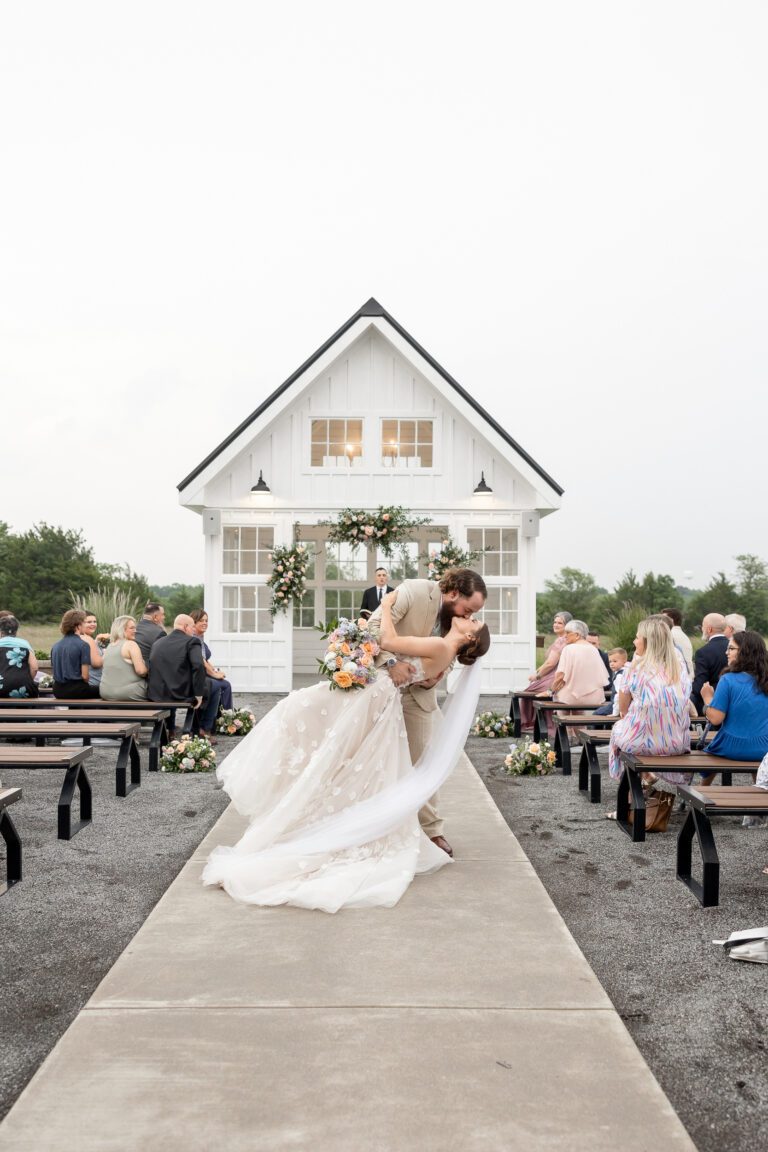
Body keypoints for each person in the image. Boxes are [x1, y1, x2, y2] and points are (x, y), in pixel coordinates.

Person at [202, 596, 490, 912]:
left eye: (474, 621)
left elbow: (388, 640)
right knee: (338, 750)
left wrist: (390, 602)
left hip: (374, 693)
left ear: (470, 638)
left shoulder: (440, 646)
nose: (471, 617)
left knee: (300, 712)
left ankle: (298, 797)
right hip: (380, 695)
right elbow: (417, 673)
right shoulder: (443, 651)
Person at [366, 567, 488, 857]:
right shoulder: (415, 591)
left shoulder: (456, 621)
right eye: (468, 609)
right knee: (370, 758)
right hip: (383, 684)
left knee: (424, 762)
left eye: (473, 615)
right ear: (454, 592)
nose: (468, 617)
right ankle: (373, 822)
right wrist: (391, 662)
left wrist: (438, 674)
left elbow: (452, 653)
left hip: (418, 696)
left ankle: (431, 831)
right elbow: (372, 629)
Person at [608, 617, 692, 789]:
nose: (634, 641)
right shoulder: (680, 667)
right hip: (677, 743)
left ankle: (632, 800)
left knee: (619, 730)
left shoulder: (635, 668)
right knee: (633, 728)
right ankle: (645, 779)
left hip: (641, 743)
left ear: (647, 642)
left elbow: (623, 709)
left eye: (637, 637)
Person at [699, 630, 768, 764]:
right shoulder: (765, 680)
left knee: (711, 753)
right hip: (764, 747)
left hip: (732, 746)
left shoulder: (728, 680)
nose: (726, 653)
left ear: (745, 652)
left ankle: (703, 785)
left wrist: (707, 699)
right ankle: (757, 783)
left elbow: (716, 719)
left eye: (731, 648)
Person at [147, 614, 217, 737]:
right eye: (192, 627)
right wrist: (199, 694)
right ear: (185, 627)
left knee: (176, 683)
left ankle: (171, 730)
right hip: (179, 694)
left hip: (157, 694)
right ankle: (201, 729)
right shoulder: (192, 641)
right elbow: (198, 666)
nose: (193, 630)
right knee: (210, 685)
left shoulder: (158, 643)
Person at [549, 620, 609, 734]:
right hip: (594, 697)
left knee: (561, 701)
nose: (565, 635)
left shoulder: (569, 649)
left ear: (577, 635)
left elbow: (560, 676)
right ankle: (581, 738)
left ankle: (565, 737)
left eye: (568, 632)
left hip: (571, 698)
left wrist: (550, 691)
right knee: (577, 710)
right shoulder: (593, 649)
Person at [519, 611, 573, 731]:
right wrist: (539, 670)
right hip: (554, 675)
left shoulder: (561, 641)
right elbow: (548, 662)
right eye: (555, 622)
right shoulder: (562, 639)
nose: (556, 624)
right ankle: (542, 723)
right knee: (532, 689)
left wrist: (537, 676)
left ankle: (531, 724)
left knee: (528, 692)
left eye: (560, 623)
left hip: (555, 678)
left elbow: (551, 664)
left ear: (567, 626)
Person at [51, 609, 100, 699]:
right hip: (77, 690)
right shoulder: (83, 645)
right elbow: (85, 676)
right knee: (103, 691)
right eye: (84, 623)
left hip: (57, 690)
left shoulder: (55, 646)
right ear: (78, 626)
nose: (85, 625)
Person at [190, 609, 233, 711]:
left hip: (204, 675)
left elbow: (206, 660)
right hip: (196, 678)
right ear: (194, 622)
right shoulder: (193, 639)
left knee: (223, 683)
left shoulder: (200, 638)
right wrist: (214, 674)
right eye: (201, 620)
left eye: (206, 620)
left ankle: (221, 717)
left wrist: (215, 671)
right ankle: (226, 717)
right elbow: (201, 660)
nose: (205, 623)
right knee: (225, 685)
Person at [99, 615, 149, 701]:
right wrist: (148, 669)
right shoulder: (131, 644)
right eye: (132, 628)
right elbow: (141, 671)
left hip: (105, 692)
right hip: (129, 693)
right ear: (122, 629)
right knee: (160, 691)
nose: (135, 631)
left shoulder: (109, 647)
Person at [690, 613, 729, 716]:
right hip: (734, 699)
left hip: (713, 703)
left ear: (709, 629)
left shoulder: (703, 652)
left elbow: (699, 687)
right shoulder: (735, 647)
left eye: (703, 626)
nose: (702, 629)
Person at [0, 614, 39, 698]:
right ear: (16, 631)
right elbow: (34, 668)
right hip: (24, 688)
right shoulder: (24, 644)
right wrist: (27, 681)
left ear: (1, 631)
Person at [593, 647, 628, 716]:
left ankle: (599, 726)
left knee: (596, 713)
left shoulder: (619, 676)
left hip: (616, 706)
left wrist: (615, 712)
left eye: (615, 661)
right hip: (620, 705)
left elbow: (619, 695)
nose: (611, 664)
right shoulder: (626, 672)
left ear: (624, 662)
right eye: (610, 661)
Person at [660, 607, 693, 675]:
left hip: (676, 676)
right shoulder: (684, 636)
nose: (660, 621)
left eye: (663, 619)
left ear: (671, 620)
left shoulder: (669, 635)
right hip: (686, 676)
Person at [80, 610, 107, 690]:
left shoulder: (91, 640)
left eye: (95, 621)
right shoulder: (86, 640)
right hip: (93, 685)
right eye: (89, 622)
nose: (93, 624)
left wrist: (96, 641)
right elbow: (96, 664)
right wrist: (108, 653)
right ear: (80, 624)